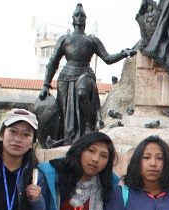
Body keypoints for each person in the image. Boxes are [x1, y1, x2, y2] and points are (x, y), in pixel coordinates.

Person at [39, 3, 136, 145]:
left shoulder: (92, 40)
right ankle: (66, 140)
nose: (80, 18)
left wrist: (123, 53)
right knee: (66, 113)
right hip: (66, 77)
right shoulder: (64, 39)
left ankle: (91, 125)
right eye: (77, 15)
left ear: (86, 19)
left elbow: (107, 58)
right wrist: (46, 85)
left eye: (82, 15)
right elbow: (53, 62)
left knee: (82, 92)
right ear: (72, 19)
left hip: (85, 73)